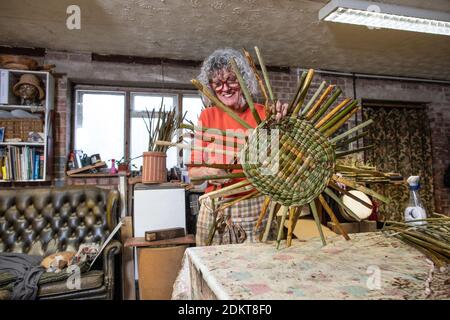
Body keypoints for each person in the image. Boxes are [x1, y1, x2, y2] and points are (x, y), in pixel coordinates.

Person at [189, 48, 287, 246]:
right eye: (217, 83)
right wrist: (210, 171)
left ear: (244, 79)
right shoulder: (207, 117)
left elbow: (272, 170)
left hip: (256, 207)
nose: (225, 88)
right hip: (217, 206)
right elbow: (194, 175)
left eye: (231, 80)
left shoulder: (262, 115)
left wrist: (282, 128)